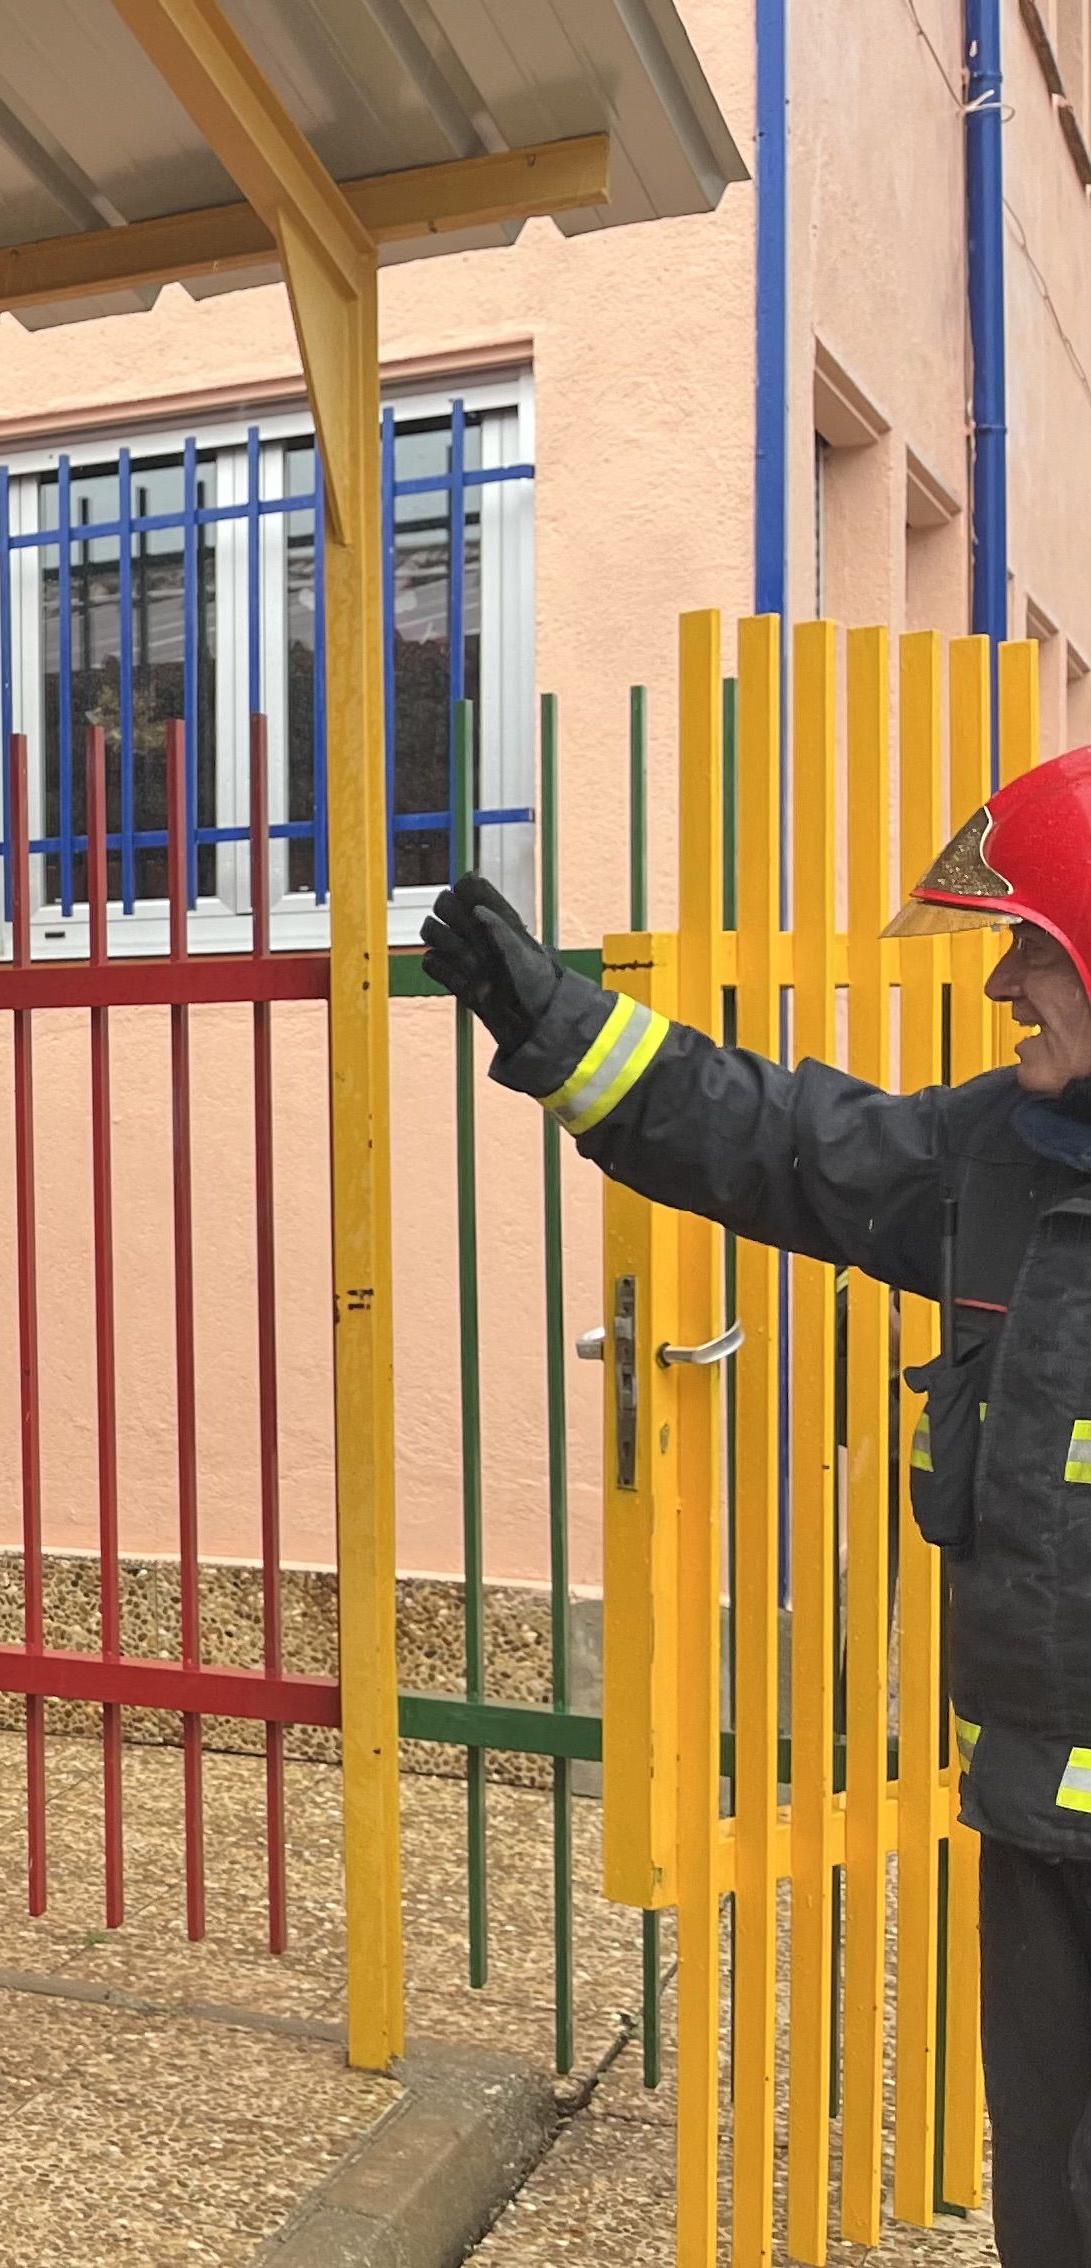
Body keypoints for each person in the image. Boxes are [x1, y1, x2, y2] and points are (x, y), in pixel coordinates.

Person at [427, 750, 1091, 2268]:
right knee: (1052, 2204)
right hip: (1040, 1828)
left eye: (1034, 949)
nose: (999, 984)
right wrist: (562, 1027)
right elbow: (787, 1143)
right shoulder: (1004, 1153)